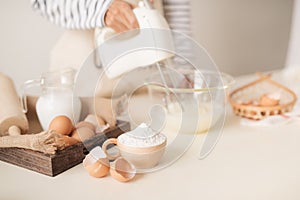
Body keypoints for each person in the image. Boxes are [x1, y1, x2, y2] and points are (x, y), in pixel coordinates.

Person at [30, 0, 192, 126]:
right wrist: (101, 9)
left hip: (146, 88)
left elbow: (176, 7)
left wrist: (183, 66)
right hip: (86, 88)